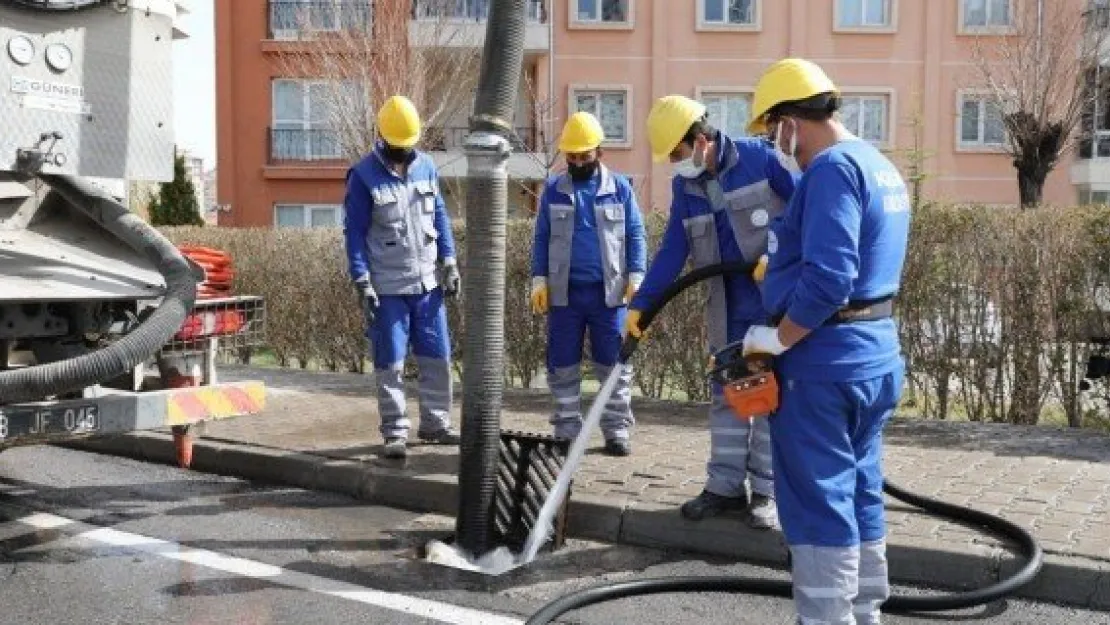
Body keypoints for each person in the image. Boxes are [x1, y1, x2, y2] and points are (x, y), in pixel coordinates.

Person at [742, 58, 911, 624]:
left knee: (818, 504)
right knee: (860, 491)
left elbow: (831, 278)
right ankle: (864, 616)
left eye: (772, 130)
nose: (773, 144)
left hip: (823, 366)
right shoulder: (878, 164)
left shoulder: (831, 169)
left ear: (792, 121)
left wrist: (780, 337)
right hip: (874, 356)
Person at [628, 95, 799, 529]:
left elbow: (804, 211)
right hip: (726, 305)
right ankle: (724, 488)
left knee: (767, 397)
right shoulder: (686, 186)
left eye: (677, 153)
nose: (674, 162)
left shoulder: (762, 159)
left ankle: (766, 493)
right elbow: (673, 248)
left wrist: (778, 256)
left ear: (702, 140)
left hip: (770, 304)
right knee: (727, 395)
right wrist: (643, 305)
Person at [343, 95, 462, 460]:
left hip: (427, 284)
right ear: (383, 138)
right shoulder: (363, 176)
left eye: (409, 146)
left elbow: (439, 216)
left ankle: (436, 425)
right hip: (388, 288)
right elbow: (354, 233)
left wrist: (450, 261)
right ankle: (395, 432)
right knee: (390, 362)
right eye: (399, 147)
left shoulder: (426, 166)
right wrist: (361, 279)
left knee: (437, 357)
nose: (405, 153)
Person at [531, 111, 647, 457]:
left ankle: (616, 431)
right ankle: (567, 430)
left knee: (614, 365)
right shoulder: (553, 190)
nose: (578, 162)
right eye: (572, 157)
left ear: (599, 152)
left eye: (584, 156)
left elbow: (635, 233)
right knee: (562, 363)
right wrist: (539, 279)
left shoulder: (620, 189)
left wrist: (637, 275)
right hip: (565, 294)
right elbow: (541, 238)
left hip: (609, 295)